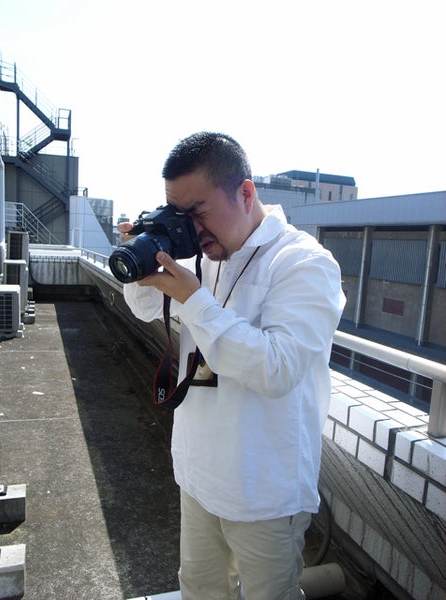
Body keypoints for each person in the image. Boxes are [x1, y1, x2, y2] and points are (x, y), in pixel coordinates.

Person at [119, 132, 345, 600]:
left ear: (245, 193)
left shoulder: (302, 262)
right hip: (198, 474)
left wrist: (194, 300)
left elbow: (277, 369)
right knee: (199, 591)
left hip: (264, 491)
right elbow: (145, 309)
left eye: (198, 210)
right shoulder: (204, 255)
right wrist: (143, 260)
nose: (191, 227)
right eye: (177, 213)